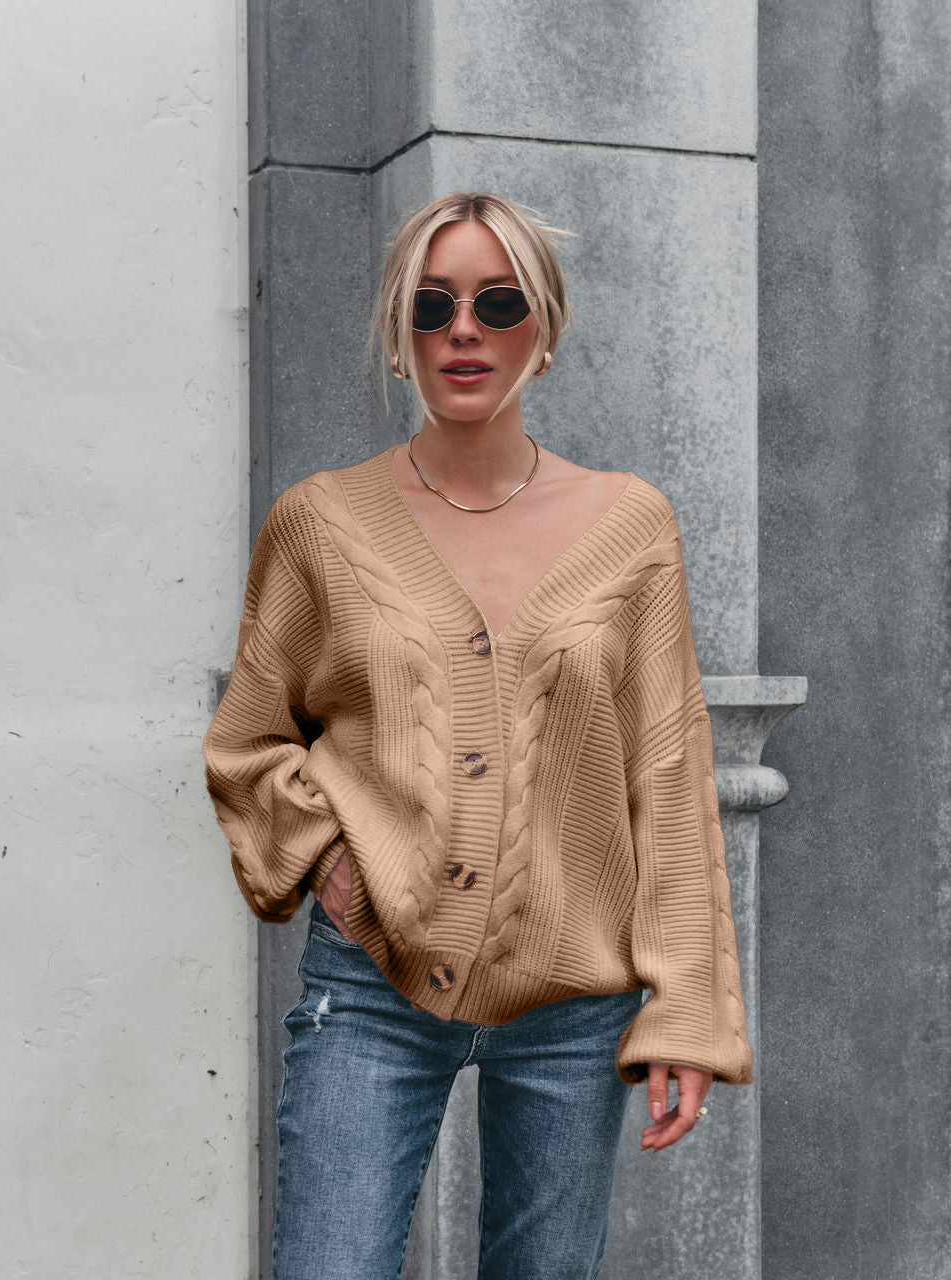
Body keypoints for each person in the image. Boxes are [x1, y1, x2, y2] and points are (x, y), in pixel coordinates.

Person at [204, 191, 752, 1279]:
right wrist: (326, 858)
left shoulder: (630, 525)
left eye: (498, 303)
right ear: (400, 336)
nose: (464, 329)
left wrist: (687, 1004)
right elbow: (250, 737)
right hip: (367, 985)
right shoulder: (320, 522)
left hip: (573, 1001)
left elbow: (668, 768)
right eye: (432, 304)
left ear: (541, 332)